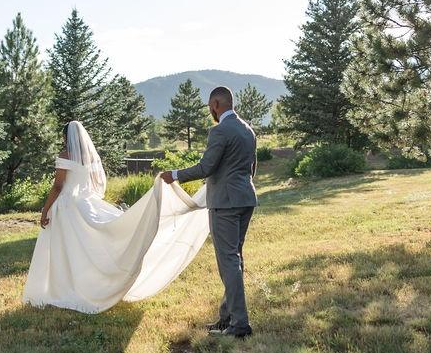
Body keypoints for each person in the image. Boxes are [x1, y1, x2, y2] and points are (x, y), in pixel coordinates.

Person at [22, 120, 209, 313]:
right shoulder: (90, 157)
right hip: (86, 202)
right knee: (85, 247)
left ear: (66, 138)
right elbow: (98, 183)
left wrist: (45, 209)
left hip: (68, 205)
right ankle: (86, 286)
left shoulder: (65, 155)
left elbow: (58, 186)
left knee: (66, 249)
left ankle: (64, 288)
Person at [160, 85, 257, 338]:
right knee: (235, 258)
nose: (210, 111)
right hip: (246, 198)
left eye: (209, 106)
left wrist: (175, 175)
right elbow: (251, 168)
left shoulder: (219, 131)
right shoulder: (248, 130)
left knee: (228, 261)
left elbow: (206, 167)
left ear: (215, 104)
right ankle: (227, 318)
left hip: (225, 203)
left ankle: (240, 325)